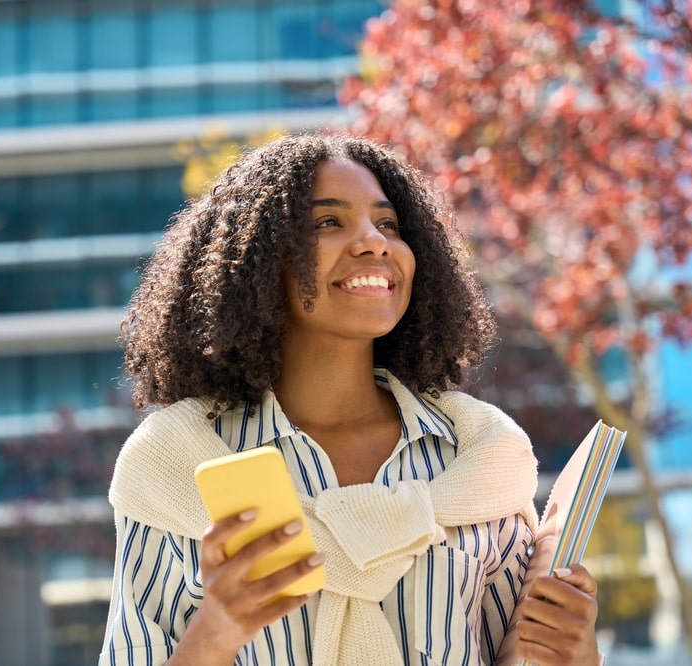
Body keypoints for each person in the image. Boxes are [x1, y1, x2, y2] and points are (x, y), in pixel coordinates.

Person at [100, 133, 602, 666]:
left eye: (387, 224)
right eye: (327, 222)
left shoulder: (478, 459)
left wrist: (577, 653)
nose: (374, 242)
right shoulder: (176, 466)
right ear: (259, 262)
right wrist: (216, 632)